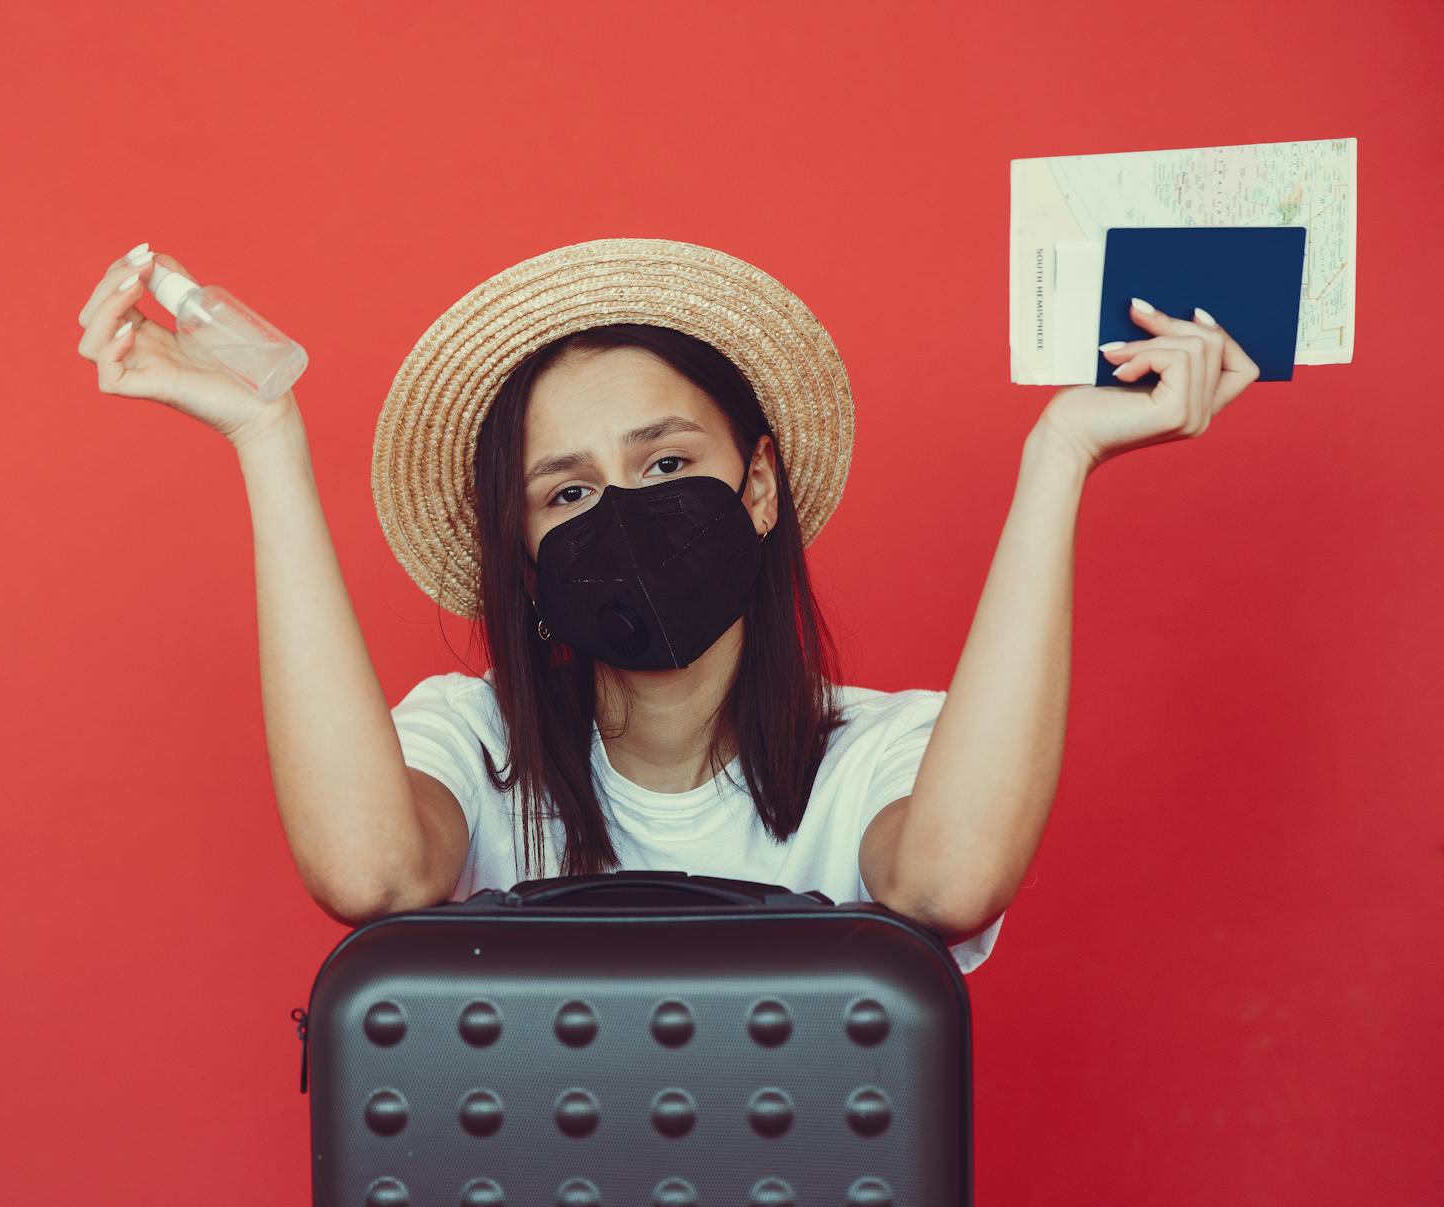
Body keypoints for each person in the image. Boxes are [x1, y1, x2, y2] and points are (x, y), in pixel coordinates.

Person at [75, 237, 1260, 976]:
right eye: (570, 489)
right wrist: (265, 439)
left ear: (756, 487)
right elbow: (369, 874)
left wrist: (1062, 456)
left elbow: (944, 888)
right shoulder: (471, 741)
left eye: (665, 465)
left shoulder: (882, 753)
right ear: (526, 551)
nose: (625, 513)